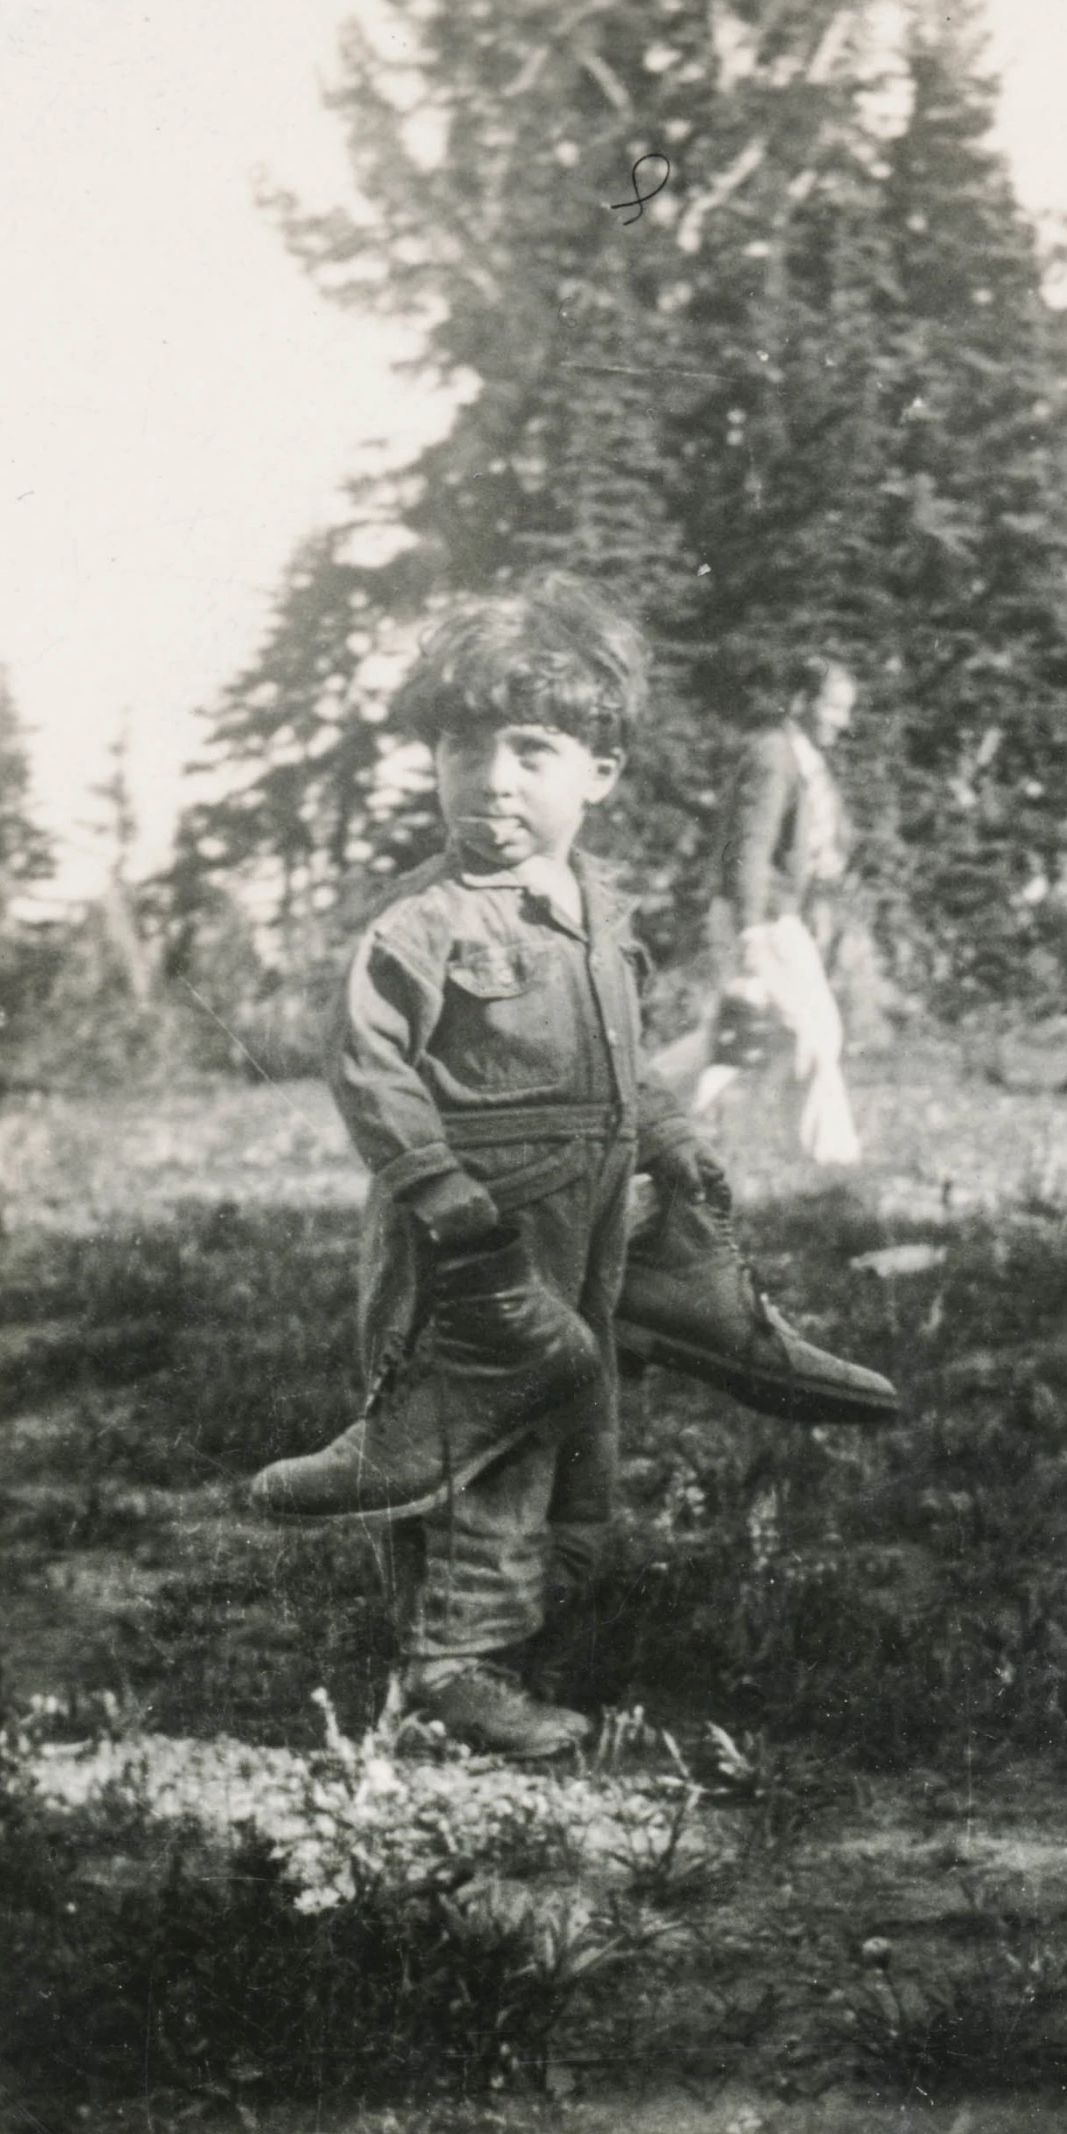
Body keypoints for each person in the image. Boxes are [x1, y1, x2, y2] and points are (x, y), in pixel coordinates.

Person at [243, 577, 894, 1759]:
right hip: (473, 1245)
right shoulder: (421, 926)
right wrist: (443, 1197)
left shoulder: (597, 907)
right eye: (460, 747)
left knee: (577, 1447)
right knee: (481, 1451)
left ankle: (534, 1632)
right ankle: (452, 1674)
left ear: (600, 771)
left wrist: (674, 1145)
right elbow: (371, 1070)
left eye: (529, 750)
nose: (490, 778)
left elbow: (623, 1061)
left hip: (587, 1230)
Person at [691, 656, 863, 1165]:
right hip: (762, 914)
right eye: (834, 707)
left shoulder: (802, 758)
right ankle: (829, 1159)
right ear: (802, 702)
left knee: (731, 1036)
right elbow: (750, 844)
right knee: (816, 1032)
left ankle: (639, 1120)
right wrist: (749, 928)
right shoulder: (775, 756)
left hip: (777, 913)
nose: (842, 721)